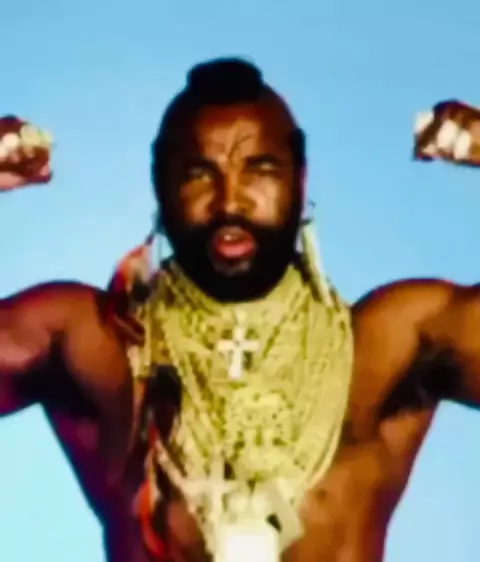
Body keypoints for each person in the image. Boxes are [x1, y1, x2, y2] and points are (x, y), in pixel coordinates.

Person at [2, 57, 480, 562]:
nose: (230, 202)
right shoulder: (98, 346)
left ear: (301, 178)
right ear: (160, 184)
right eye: (198, 174)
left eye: (261, 169)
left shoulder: (388, 349)